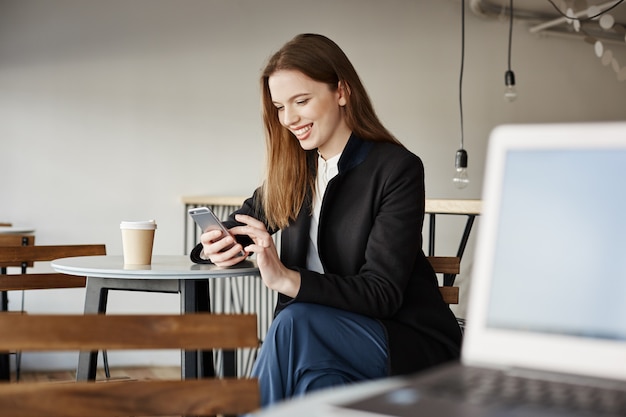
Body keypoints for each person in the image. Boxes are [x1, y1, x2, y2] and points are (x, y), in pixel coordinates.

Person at [190, 33, 462, 408]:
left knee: (293, 323)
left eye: (301, 101)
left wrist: (286, 278)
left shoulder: (396, 169)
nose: (289, 119)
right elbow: (235, 226)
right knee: (316, 385)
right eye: (280, 107)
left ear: (342, 92)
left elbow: (381, 294)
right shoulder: (294, 172)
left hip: (402, 342)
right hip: (318, 344)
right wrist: (214, 245)